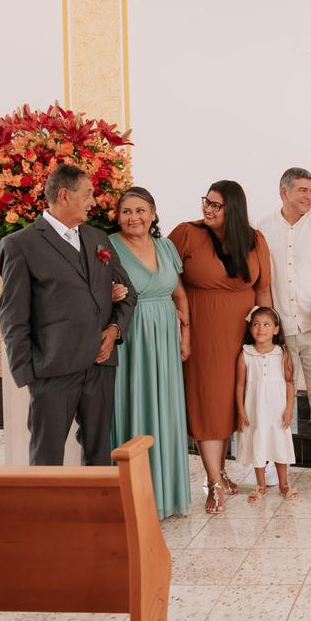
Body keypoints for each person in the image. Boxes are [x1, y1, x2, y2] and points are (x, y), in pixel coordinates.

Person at [0, 163, 137, 467]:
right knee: (46, 459)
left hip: (100, 367)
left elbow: (129, 293)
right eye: (87, 194)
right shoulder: (19, 245)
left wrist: (114, 331)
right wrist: (29, 377)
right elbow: (12, 319)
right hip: (52, 370)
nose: (93, 201)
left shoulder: (98, 238)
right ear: (64, 195)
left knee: (100, 455)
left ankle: (96, 500)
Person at [169, 181, 272, 514]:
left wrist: (268, 337)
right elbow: (165, 277)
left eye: (216, 205)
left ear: (234, 210)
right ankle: (213, 482)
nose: (208, 209)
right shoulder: (186, 233)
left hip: (242, 333)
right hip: (203, 332)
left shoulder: (254, 240)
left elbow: (263, 291)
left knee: (229, 403)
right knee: (209, 403)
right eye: (207, 202)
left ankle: (221, 470)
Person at [255, 167, 311, 486]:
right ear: (284, 192)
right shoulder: (263, 225)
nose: (309, 196)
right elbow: (258, 276)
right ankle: (275, 458)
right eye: (302, 190)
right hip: (279, 331)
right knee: (277, 396)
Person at [108, 187, 192, 519]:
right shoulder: (108, 246)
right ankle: (134, 500)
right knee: (134, 403)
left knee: (166, 409)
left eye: (140, 210)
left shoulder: (166, 246)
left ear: (153, 214)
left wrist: (186, 336)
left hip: (166, 337)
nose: (134, 218)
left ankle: (166, 493)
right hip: (130, 335)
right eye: (126, 211)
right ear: (118, 216)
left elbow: (180, 294)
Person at [236, 307, 299, 502]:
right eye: (256, 324)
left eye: (266, 324)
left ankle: (284, 484)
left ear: (276, 330)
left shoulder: (283, 354)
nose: (261, 328)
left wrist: (289, 409)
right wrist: (241, 411)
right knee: (259, 444)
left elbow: (290, 382)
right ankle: (261, 485)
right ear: (250, 328)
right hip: (255, 411)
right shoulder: (245, 355)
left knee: (279, 444)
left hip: (277, 411)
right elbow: (240, 385)